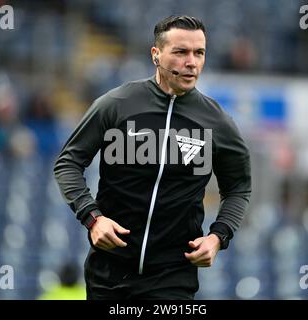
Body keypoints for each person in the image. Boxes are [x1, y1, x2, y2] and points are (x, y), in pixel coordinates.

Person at [54, 15, 251, 300]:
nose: (192, 62)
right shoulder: (116, 105)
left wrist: (218, 237)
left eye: (199, 53)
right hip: (108, 273)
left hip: (173, 278)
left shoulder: (217, 122)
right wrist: (93, 218)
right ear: (156, 55)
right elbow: (68, 163)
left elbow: (238, 187)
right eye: (181, 52)